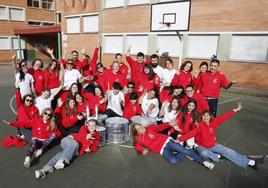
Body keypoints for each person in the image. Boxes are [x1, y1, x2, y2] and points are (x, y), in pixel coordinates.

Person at [178, 103, 265, 170]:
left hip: (213, 145)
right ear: (201, 117)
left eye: (207, 115)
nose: (205, 117)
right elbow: (191, 134)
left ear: (210, 116)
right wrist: (179, 139)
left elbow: (224, 117)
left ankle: (252, 162)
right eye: (203, 116)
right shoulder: (199, 125)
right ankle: (218, 156)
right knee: (204, 153)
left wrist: (235, 110)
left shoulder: (213, 122)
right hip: (201, 146)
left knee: (229, 151)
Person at [35, 119, 100, 179]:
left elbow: (95, 147)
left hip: (75, 150)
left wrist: (89, 149)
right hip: (69, 140)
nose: (91, 127)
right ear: (87, 125)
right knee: (74, 144)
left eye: (93, 125)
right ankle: (62, 160)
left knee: (60, 155)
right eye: (90, 125)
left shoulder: (96, 136)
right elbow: (82, 135)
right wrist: (87, 137)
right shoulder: (84, 128)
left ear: (96, 126)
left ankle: (43, 171)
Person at [133, 123, 214, 169]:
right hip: (162, 151)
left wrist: (169, 124)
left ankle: (204, 162)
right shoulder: (140, 139)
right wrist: (142, 149)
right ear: (138, 132)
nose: (141, 128)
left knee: (185, 151)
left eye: (140, 126)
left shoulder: (150, 128)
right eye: (139, 128)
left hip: (167, 141)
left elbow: (160, 127)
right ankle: (186, 150)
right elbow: (136, 145)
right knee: (173, 161)